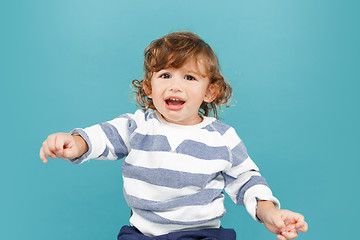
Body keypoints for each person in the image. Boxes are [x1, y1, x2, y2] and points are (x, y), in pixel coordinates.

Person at [39, 31, 308, 240]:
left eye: (189, 78)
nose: (175, 85)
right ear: (148, 87)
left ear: (209, 92)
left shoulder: (222, 138)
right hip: (142, 234)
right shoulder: (137, 126)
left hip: (203, 234)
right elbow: (102, 138)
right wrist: (74, 143)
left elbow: (247, 180)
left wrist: (269, 211)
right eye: (165, 75)